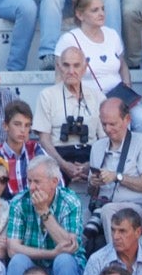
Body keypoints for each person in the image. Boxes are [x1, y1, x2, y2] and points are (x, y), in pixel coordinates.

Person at [59, 0, 142, 133]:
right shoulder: (69, 39)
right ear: (80, 14)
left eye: (102, 9)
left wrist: (127, 88)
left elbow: (123, 65)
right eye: (95, 10)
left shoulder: (112, 34)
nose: (101, 13)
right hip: (88, 100)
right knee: (117, 124)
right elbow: (60, 77)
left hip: (119, 97)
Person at [6, 156, 87, 275]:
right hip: (33, 267)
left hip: (64, 270)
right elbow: (13, 249)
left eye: (37, 182)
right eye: (29, 181)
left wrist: (44, 212)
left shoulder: (70, 201)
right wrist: (51, 253)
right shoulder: (19, 202)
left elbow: (70, 247)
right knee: (17, 261)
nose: (32, 187)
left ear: (54, 182)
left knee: (65, 261)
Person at [87, 100, 142, 243]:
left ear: (127, 119)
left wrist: (117, 177)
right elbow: (91, 192)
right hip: (100, 208)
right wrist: (93, 183)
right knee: (79, 222)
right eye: (104, 124)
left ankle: (116, 262)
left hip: (138, 210)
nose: (107, 129)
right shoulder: (97, 146)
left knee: (110, 212)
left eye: (112, 124)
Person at [35, 47, 104, 182]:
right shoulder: (47, 95)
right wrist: (63, 164)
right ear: (59, 67)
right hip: (58, 155)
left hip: (90, 155)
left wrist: (90, 165)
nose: (71, 71)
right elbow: (44, 140)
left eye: (76, 65)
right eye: (66, 65)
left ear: (84, 68)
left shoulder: (97, 96)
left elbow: (105, 140)